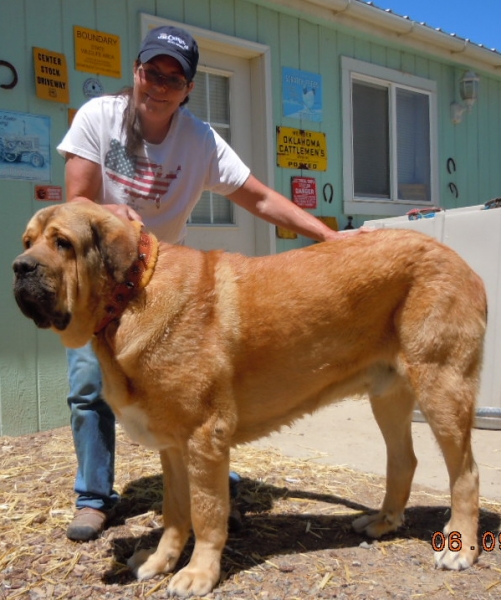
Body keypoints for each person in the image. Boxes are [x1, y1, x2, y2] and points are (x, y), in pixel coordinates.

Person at [57, 24, 364, 541]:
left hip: (160, 282)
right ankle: (94, 496)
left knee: (191, 391)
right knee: (89, 386)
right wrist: (111, 212)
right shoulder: (98, 116)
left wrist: (329, 239)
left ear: (189, 89)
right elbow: (76, 201)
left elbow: (260, 198)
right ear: (136, 71)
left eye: (172, 80)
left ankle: (213, 479)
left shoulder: (199, 139)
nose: (158, 86)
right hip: (99, 282)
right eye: (151, 73)